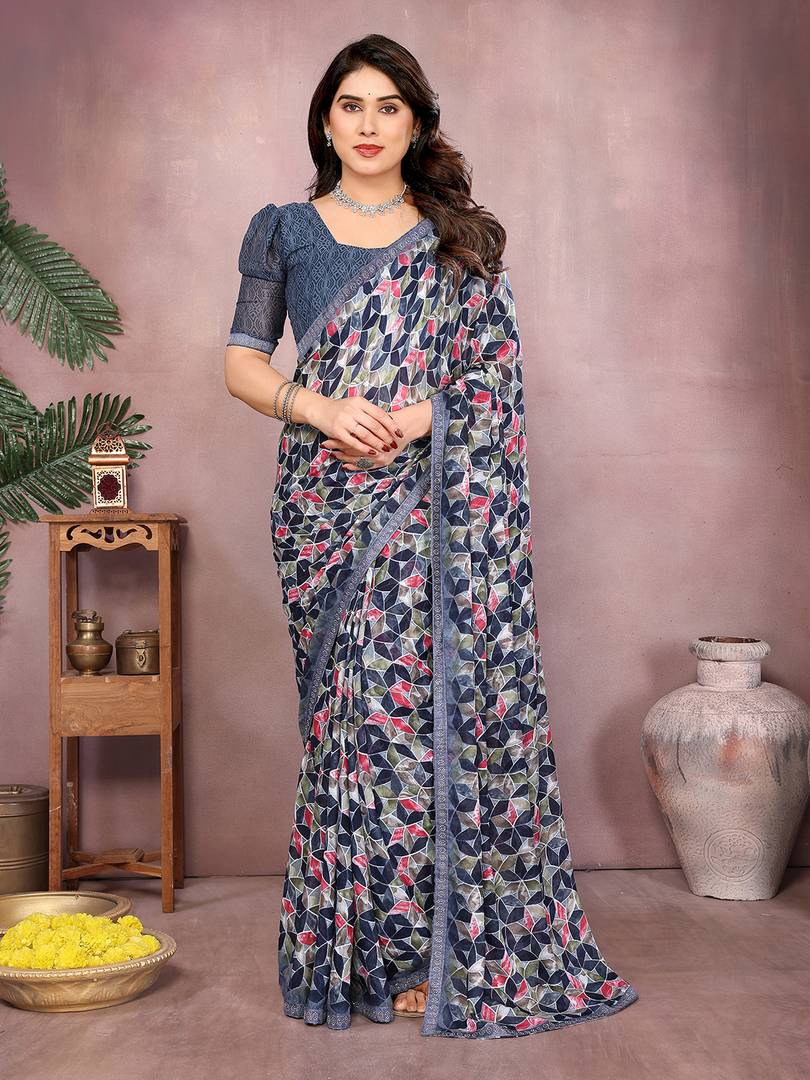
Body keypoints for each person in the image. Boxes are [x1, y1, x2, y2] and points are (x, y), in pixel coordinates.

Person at [224, 33, 639, 1038]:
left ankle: (426, 954)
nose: (368, 125)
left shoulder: (459, 239)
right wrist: (321, 409)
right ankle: (359, 948)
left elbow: (491, 381)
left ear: (416, 124)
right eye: (351, 106)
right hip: (323, 505)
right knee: (350, 733)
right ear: (326, 122)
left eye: (388, 107)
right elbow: (240, 361)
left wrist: (415, 421)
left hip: (429, 505)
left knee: (411, 727)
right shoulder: (284, 231)